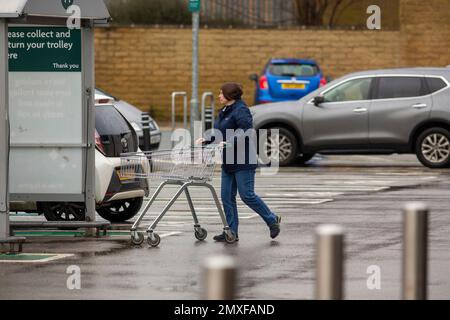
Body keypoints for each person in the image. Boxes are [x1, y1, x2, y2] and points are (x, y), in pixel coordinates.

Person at [196, 82, 281, 242]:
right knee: (226, 196)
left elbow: (246, 130)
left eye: (221, 93)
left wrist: (230, 142)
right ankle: (231, 231)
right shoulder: (225, 110)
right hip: (228, 161)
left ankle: (272, 219)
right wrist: (207, 139)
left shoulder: (241, 110)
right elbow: (220, 132)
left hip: (243, 160)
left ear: (230, 95)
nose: (219, 96)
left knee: (247, 195)